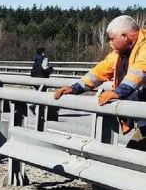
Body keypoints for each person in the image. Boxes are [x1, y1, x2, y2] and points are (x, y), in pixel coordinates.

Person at [53, 15, 146, 143]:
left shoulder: (144, 47)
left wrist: (118, 92)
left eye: (112, 39)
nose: (110, 43)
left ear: (125, 36)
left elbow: (139, 71)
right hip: (142, 116)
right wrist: (75, 88)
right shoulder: (120, 53)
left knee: (133, 154)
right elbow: (99, 72)